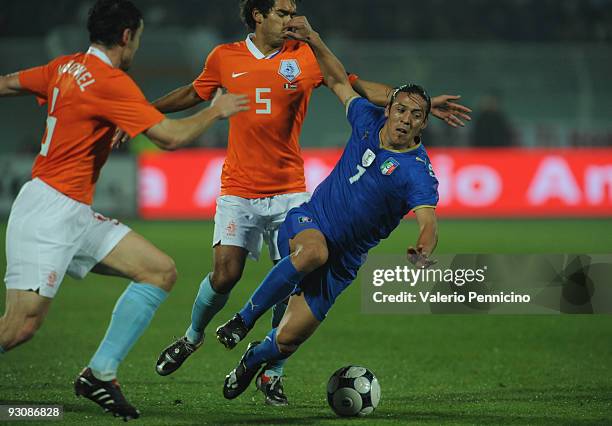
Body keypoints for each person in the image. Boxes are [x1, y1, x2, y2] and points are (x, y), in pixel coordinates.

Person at [144, 0, 465, 406]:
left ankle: (267, 369)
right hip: (243, 189)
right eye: (282, 11)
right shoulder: (225, 57)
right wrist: (143, 112)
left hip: (290, 190)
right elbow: (195, 91)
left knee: (292, 305)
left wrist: (425, 104)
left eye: (412, 115)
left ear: (420, 122)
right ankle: (196, 336)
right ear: (258, 15)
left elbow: (352, 84)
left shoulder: (305, 59)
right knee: (230, 274)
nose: (291, 18)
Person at [0, 0, 248, 420]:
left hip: (72, 210)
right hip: (47, 214)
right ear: (127, 36)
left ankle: (100, 374)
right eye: (139, 39)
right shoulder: (109, 81)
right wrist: (214, 112)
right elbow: (168, 138)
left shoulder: (65, 67)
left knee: (159, 270)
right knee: (20, 326)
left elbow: (6, 83)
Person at [216, 15, 439, 401]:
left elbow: (428, 219)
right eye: (400, 109)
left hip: (344, 262)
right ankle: (242, 320)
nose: (405, 119)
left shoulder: (418, 173)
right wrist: (314, 38)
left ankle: (254, 359)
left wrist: (423, 248)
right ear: (388, 108)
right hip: (309, 221)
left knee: (285, 342)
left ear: (422, 125)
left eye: (415, 115)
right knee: (313, 252)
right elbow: (337, 80)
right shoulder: (367, 119)